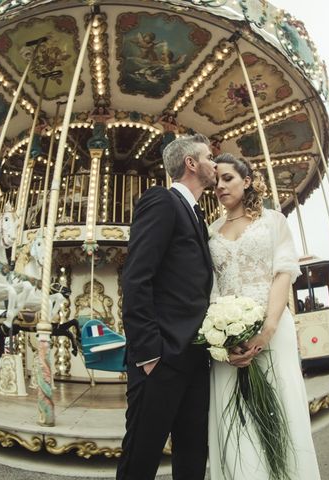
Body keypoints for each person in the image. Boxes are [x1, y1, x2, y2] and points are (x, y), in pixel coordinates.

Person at [208, 153, 321, 479]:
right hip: (229, 338)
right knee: (236, 421)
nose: (220, 186)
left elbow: (283, 273)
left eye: (227, 178)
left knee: (282, 409)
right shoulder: (211, 231)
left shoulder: (273, 221)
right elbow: (212, 288)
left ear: (246, 181)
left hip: (271, 326)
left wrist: (267, 330)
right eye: (216, 180)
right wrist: (221, 340)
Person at [116, 134, 217, 480]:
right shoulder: (162, 201)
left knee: (192, 455)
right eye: (210, 157)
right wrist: (149, 355)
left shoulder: (197, 216)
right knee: (141, 459)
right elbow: (135, 277)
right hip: (161, 359)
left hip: (195, 357)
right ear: (191, 163)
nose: (215, 164)